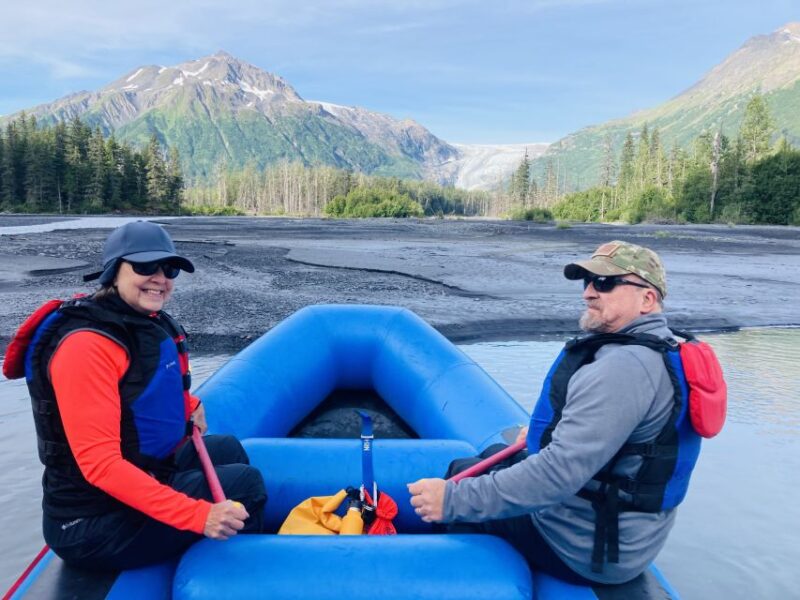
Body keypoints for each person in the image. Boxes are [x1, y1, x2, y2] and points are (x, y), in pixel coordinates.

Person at [408, 240, 711, 585]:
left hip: (582, 547)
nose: (589, 293)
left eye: (607, 283)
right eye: (588, 282)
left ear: (647, 299)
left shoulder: (624, 369)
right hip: (626, 535)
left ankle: (445, 581)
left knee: (459, 480)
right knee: (491, 457)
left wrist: (451, 500)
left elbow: (556, 475)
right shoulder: (662, 348)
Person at [3, 220, 267, 571]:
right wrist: (200, 515)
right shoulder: (86, 345)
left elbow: (141, 389)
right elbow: (101, 466)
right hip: (91, 521)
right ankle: (245, 575)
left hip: (142, 473)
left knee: (228, 448)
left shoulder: (133, 320)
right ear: (113, 271)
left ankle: (237, 540)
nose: (160, 277)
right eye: (144, 266)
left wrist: (190, 404)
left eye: (168, 268)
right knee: (245, 485)